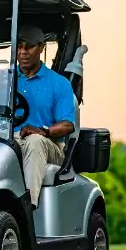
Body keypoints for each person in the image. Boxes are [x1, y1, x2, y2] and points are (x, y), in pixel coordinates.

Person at [13, 25, 76, 206]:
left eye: (29, 47)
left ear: (41, 47)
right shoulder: (5, 79)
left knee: (35, 141)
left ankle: (27, 206)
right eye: (19, 46)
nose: (23, 52)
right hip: (12, 139)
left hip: (49, 144)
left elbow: (68, 124)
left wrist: (44, 131)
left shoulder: (59, 83)